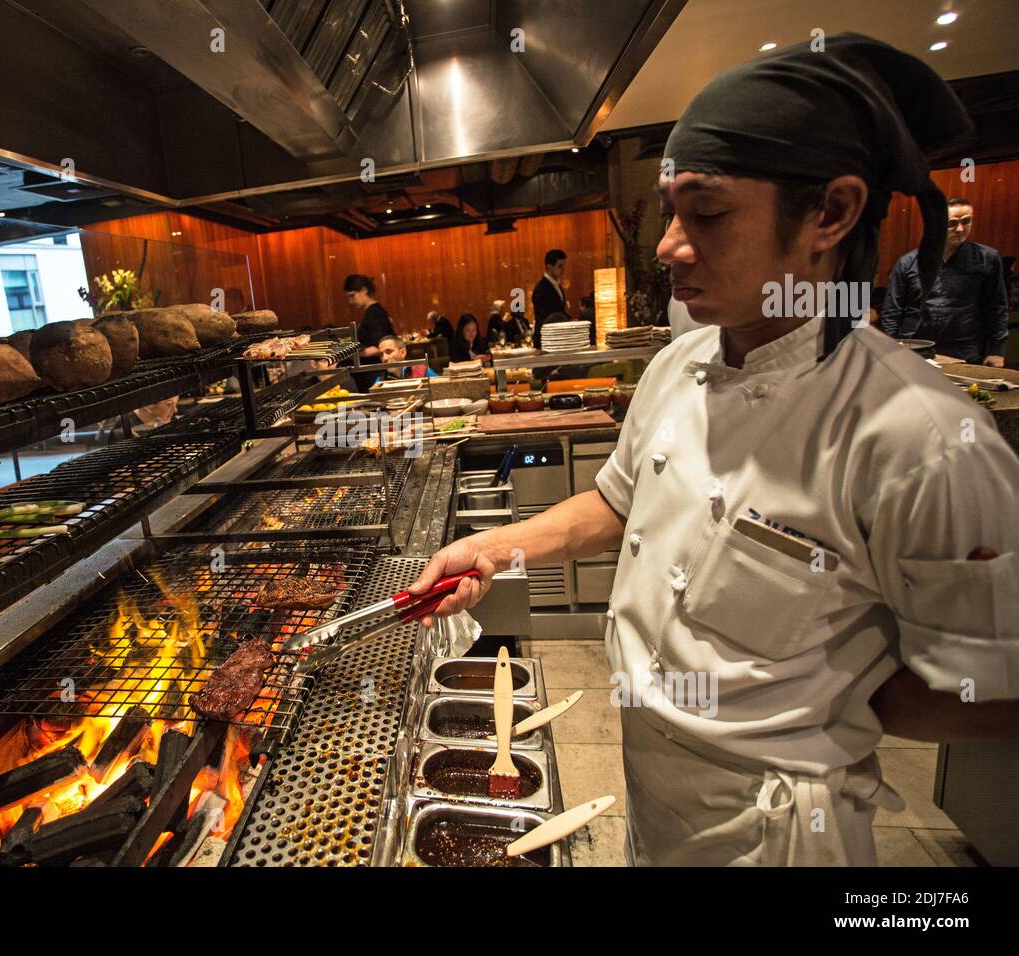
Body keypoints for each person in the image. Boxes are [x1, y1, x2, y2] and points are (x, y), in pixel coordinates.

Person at [408, 35, 1019, 867]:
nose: (667, 247)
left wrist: (821, 700)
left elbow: (998, 689)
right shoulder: (677, 364)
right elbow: (616, 503)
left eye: (709, 213)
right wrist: (490, 548)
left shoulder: (921, 437)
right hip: (655, 803)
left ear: (830, 215)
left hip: (773, 833)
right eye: (669, 212)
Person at [879, 198, 1008, 365]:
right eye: (952, 223)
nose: (960, 229)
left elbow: (996, 307)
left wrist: (996, 351)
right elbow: (892, 311)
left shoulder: (988, 259)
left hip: (965, 349)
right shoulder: (908, 262)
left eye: (966, 221)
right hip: (916, 348)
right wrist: (889, 351)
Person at [343, 273, 394, 389]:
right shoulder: (373, 311)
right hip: (373, 371)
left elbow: (380, 347)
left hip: (374, 372)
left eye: (352, 296)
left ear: (364, 290)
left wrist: (352, 354)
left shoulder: (374, 313)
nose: (350, 301)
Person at [531, 249, 568, 350]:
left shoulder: (557, 285)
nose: (563, 269)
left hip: (557, 338)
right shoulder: (541, 288)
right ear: (549, 267)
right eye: (560, 266)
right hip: (547, 340)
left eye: (563, 266)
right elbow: (543, 317)